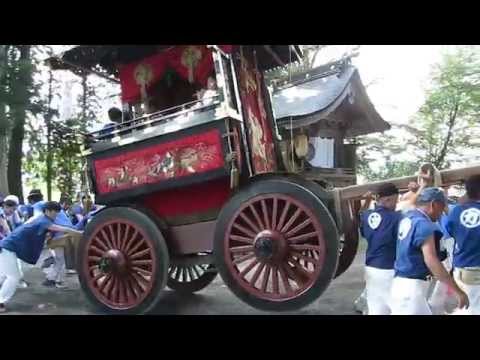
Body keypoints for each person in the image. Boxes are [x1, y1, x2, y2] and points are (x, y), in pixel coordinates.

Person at [390, 187, 469, 315]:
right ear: (434, 204)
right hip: (411, 291)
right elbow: (432, 261)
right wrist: (457, 291)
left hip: (404, 286)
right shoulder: (424, 225)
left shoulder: (408, 217)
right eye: (442, 208)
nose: (442, 213)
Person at [0, 202, 83, 312]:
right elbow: (63, 229)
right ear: (48, 211)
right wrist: (79, 233)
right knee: (14, 277)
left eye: (57, 213)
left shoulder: (42, 219)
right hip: (8, 248)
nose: (56, 215)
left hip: (8, 247)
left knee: (7, 275)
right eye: (55, 213)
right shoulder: (44, 221)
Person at [360, 183, 402, 315]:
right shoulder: (397, 217)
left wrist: (366, 201)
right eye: (395, 200)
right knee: (398, 308)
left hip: (371, 268)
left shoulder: (366, 216)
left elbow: (361, 214)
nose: (396, 204)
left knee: (375, 309)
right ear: (387, 199)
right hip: (389, 269)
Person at [446, 175, 480, 315]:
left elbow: (450, 233)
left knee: (465, 308)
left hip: (459, 269)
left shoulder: (455, 211)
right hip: (476, 271)